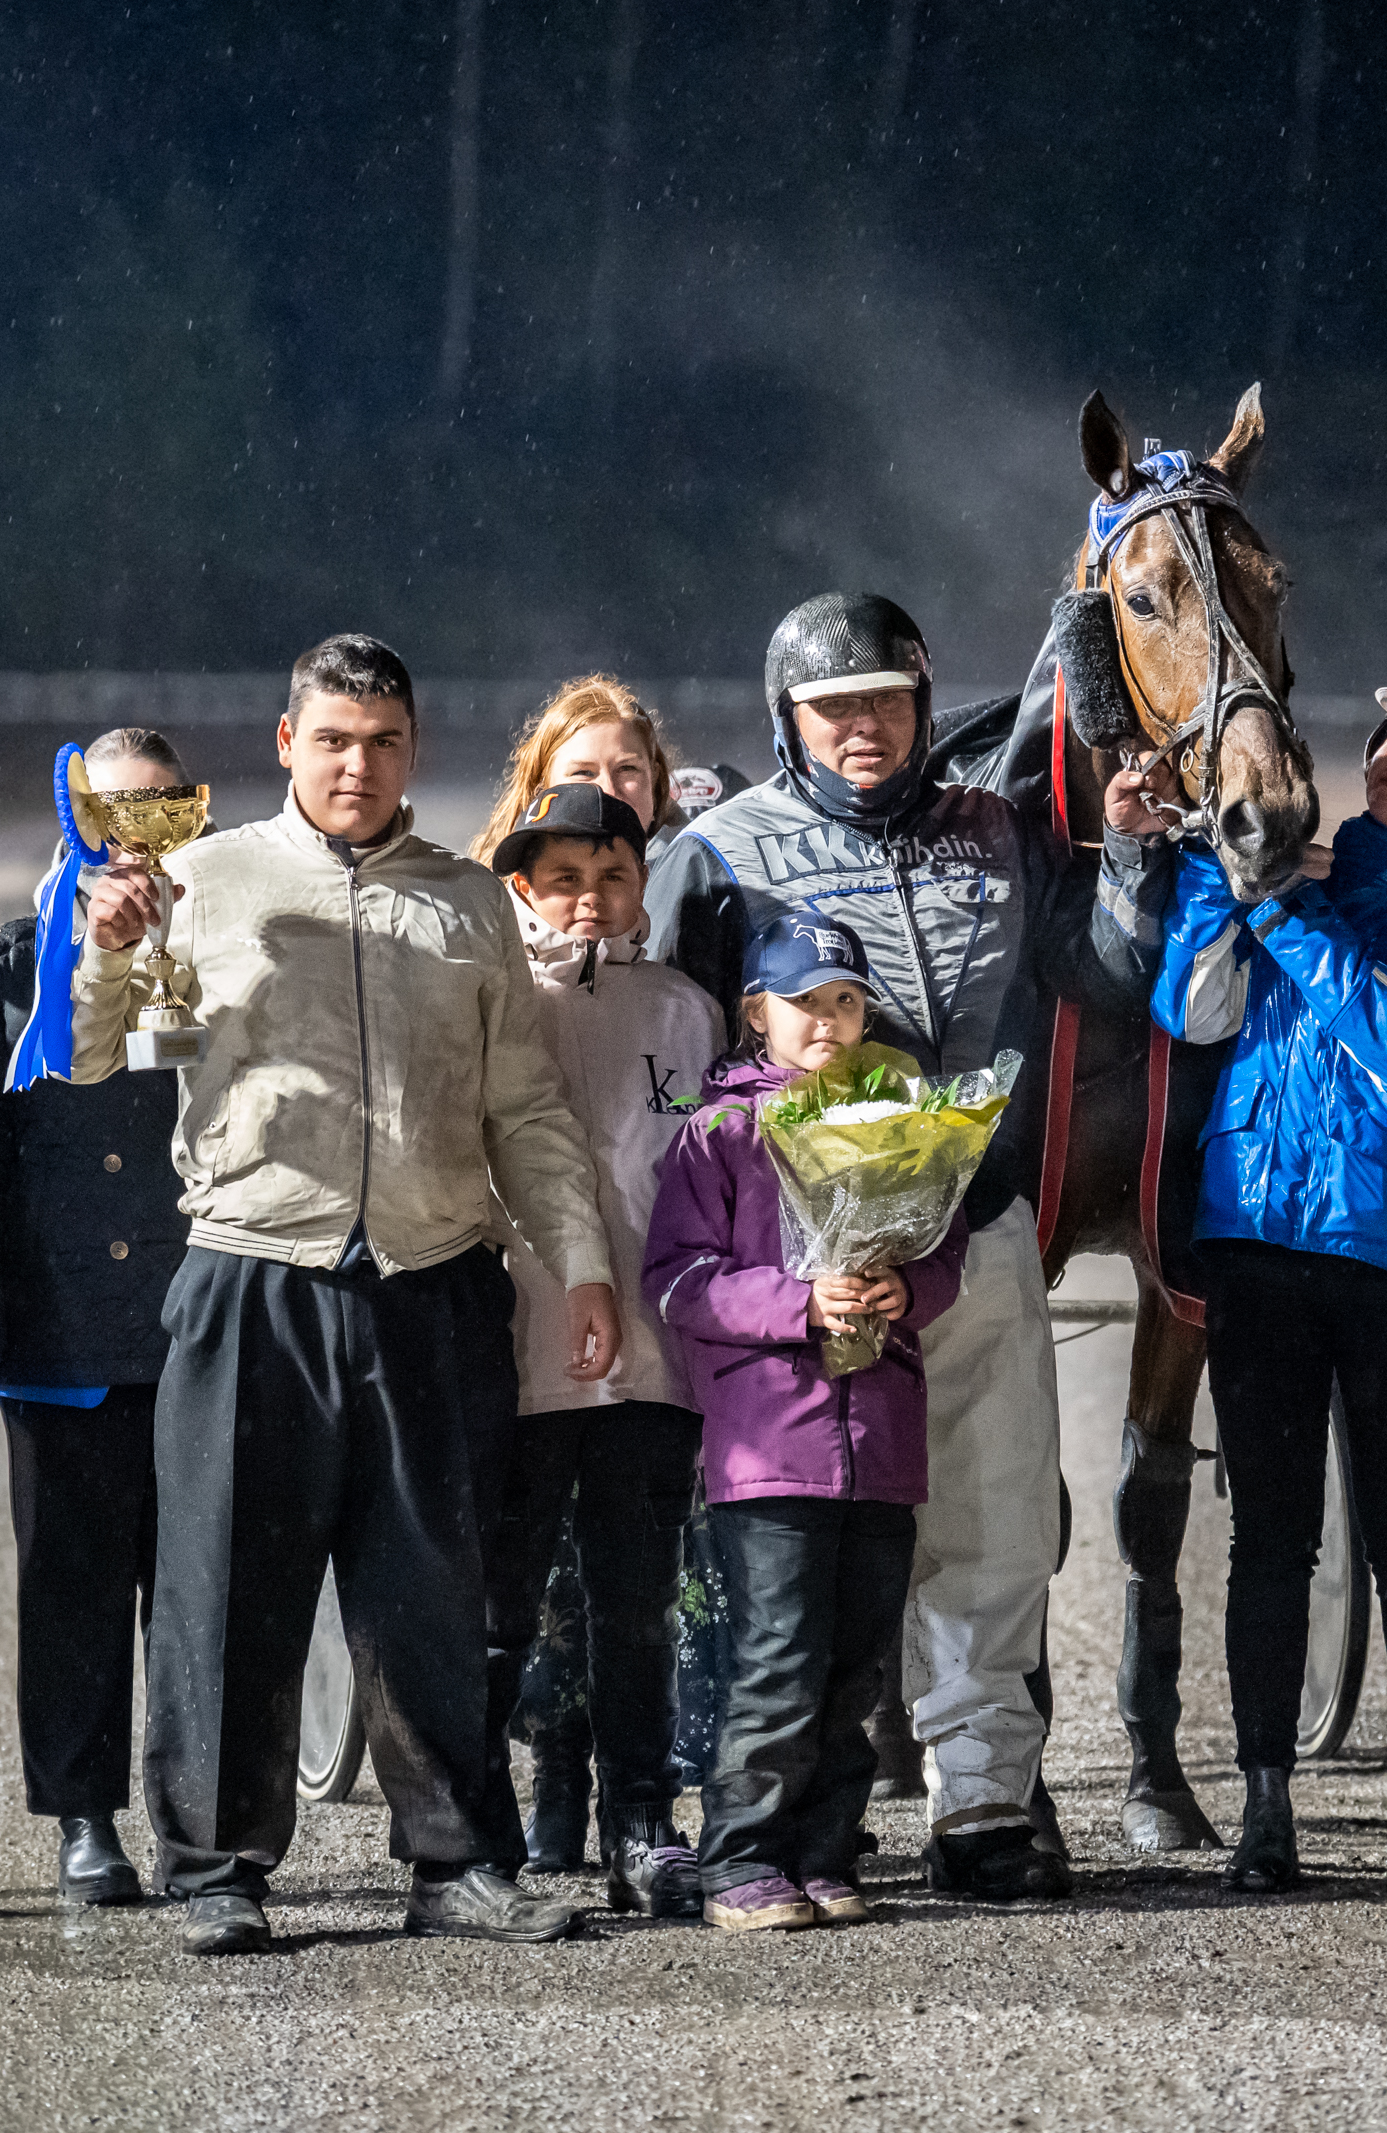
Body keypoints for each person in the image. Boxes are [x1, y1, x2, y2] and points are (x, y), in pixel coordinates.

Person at [74, 633, 620, 1955]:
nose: (356, 766)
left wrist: (582, 1262)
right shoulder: (200, 877)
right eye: (330, 740)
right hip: (253, 1273)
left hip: (431, 1284)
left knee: (434, 1590)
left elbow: (523, 1109)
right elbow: (98, 1055)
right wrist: (104, 950)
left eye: (381, 742)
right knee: (224, 1590)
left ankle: (455, 1862)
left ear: (411, 748)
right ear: (286, 742)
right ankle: (216, 1868)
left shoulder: (469, 902)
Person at [645, 592, 1155, 1902]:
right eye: (833, 708)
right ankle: (765, 1826)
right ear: (787, 719)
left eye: (885, 700)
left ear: (924, 705)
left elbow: (1102, 976)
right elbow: (662, 1054)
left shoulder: (1002, 831)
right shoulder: (712, 854)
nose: (862, 727)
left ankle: (982, 1804)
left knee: (995, 1530)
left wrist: (1129, 854)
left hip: (971, 1237)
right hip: (798, 1278)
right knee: (801, 1567)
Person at [1118, 650, 1387, 1890]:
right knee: (1268, 1544)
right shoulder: (1279, 873)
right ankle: (1264, 1806)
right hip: (1255, 1244)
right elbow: (1191, 1013)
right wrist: (1208, 866)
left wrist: (1287, 915)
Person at [640, 916, 972, 1931]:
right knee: (777, 1659)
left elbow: (942, 1251)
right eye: (802, 1002)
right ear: (755, 1013)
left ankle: (824, 1854)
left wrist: (905, 1289)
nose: (826, 1021)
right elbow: (679, 1280)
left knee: (855, 1667)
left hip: (880, 1442)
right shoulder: (720, 1129)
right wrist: (799, 1302)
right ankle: (740, 1861)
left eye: (844, 1001)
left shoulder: (902, 1119)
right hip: (770, 1449)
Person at [0, 726, 195, 1907]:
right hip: (59, 1324)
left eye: (159, 807)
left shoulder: (223, 945)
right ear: (75, 815)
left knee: (196, 1595)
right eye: (111, 809)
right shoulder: (8, 961)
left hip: (197, 1318)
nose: (133, 833)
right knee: (72, 1591)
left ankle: (201, 1819)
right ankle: (84, 1816)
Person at [475, 782, 722, 1916]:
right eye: (564, 879)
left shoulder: (685, 1011)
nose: (588, 899)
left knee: (636, 1604)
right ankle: (478, 1826)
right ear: (523, 888)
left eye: (611, 876)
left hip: (652, 1363)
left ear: (641, 884)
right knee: (502, 1605)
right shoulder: (492, 996)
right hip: (522, 1357)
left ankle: (640, 1821)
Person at [476, 673, 691, 864]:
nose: (608, 791)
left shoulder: (700, 876)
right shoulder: (491, 892)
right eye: (583, 773)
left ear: (654, 779)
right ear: (542, 787)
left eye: (627, 768)